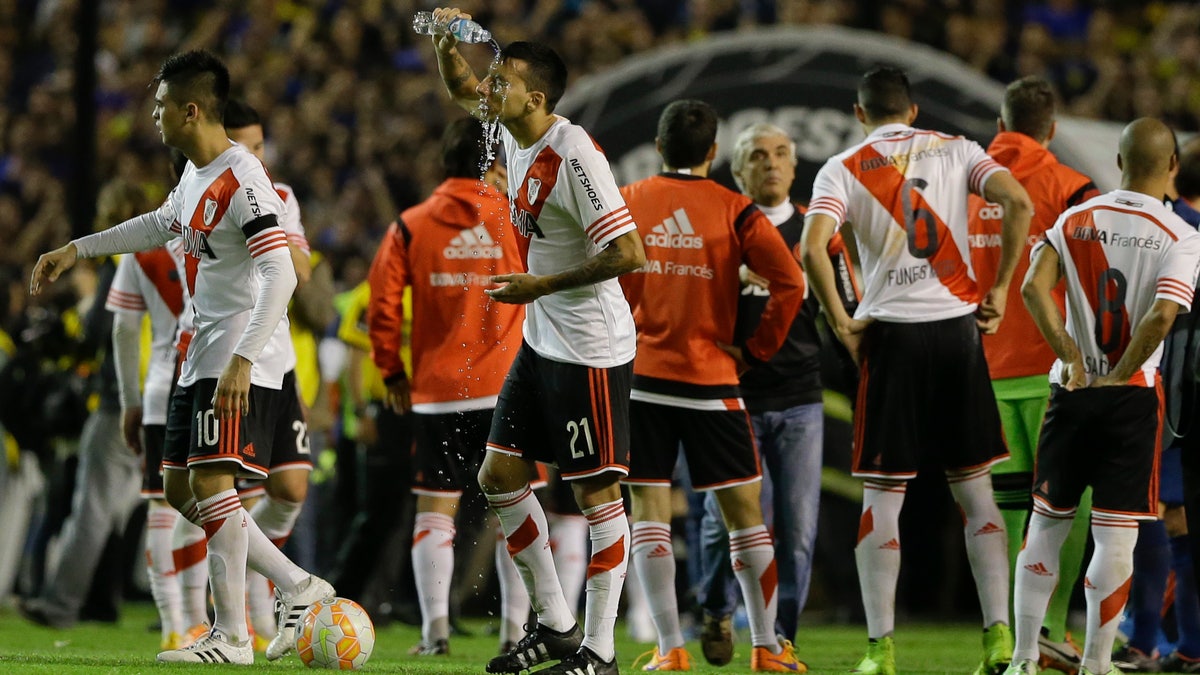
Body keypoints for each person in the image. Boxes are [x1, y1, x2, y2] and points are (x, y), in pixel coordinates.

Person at [29, 50, 334, 665]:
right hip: (200, 361)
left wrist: (245, 359)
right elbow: (153, 225)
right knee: (179, 487)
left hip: (232, 363)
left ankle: (232, 637)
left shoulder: (243, 179)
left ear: (190, 109)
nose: (153, 115)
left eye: (161, 104)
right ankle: (299, 585)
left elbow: (281, 274)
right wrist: (77, 249)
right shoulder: (195, 178)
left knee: (212, 484)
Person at [429, 10, 647, 674]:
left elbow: (630, 251)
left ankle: (601, 652)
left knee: (597, 495)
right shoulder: (508, 126)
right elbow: (460, 89)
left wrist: (540, 284)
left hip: (590, 347)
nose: (487, 89)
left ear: (538, 98)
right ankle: (554, 620)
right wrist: (445, 41)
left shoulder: (573, 152)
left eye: (502, 82)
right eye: (492, 79)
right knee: (498, 475)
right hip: (544, 338)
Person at [801, 65, 1033, 675]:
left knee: (884, 494)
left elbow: (812, 244)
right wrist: (1004, 286)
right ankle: (998, 638)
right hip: (957, 334)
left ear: (859, 113)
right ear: (913, 110)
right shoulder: (959, 150)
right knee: (976, 492)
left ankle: (880, 649)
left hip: (893, 339)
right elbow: (1018, 200)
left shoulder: (842, 167)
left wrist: (843, 319)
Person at [1004, 117, 1200, 675]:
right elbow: (1163, 313)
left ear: (1118, 161)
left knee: (1045, 525)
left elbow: (1030, 287)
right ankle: (1095, 662)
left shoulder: (1076, 218)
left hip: (1070, 391)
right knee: (1115, 535)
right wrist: (1122, 373)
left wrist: (1069, 352)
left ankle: (1022, 659)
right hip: (1131, 397)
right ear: (1171, 168)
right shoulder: (1181, 235)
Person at [619, 100, 806, 673]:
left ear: (658, 146)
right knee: (745, 517)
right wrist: (755, 351)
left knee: (649, 511)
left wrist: (629, 324)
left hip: (644, 379)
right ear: (713, 154)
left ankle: (669, 649)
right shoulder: (736, 210)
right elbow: (790, 283)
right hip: (710, 382)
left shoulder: (630, 201)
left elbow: (609, 278)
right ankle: (769, 649)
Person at [696, 121, 860, 666]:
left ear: (794, 167)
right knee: (728, 524)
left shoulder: (819, 235)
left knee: (797, 532)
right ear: (737, 169)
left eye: (782, 153)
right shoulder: (720, 230)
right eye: (758, 155)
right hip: (732, 399)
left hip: (800, 400)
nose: (771, 162)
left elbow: (848, 310)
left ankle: (780, 639)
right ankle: (716, 606)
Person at [366, 115, 524, 656]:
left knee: (436, 510)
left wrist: (390, 370)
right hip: (509, 387)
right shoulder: (514, 219)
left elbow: (381, 306)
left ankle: (435, 633)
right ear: (496, 166)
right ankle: (515, 634)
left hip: (438, 392)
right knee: (517, 511)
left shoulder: (410, 225)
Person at [966, 75, 1101, 673]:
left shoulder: (964, 184)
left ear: (1001, 125)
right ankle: (1051, 629)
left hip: (981, 370)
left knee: (1000, 510)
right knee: (1069, 503)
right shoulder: (1072, 188)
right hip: (1053, 368)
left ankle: (1004, 638)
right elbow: (1095, 281)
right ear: (1051, 129)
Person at [17, 180, 151, 631]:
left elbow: (100, 329)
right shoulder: (167, 255)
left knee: (91, 509)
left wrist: (89, 296)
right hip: (170, 394)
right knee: (160, 508)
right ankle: (118, 602)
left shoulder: (121, 263)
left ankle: (61, 605)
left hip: (122, 401)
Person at [223, 98, 325, 652]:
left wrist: (269, 227)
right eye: (246, 149)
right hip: (237, 362)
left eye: (261, 147)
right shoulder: (214, 198)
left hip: (279, 363)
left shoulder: (281, 198)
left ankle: (271, 589)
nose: (257, 159)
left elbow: (303, 272)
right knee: (224, 492)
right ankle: (235, 607)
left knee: (290, 487)